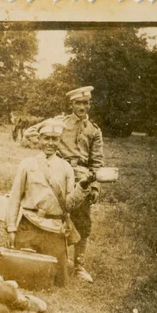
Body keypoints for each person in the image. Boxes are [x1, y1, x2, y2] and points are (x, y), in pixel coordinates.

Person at [24, 86, 104, 282]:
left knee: (82, 222)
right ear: (72, 104)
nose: (82, 107)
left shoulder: (94, 130)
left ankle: (78, 266)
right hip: (58, 172)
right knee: (55, 215)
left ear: (89, 105)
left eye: (85, 103)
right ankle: (52, 257)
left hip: (82, 178)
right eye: (78, 103)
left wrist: (94, 187)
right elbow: (30, 132)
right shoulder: (59, 123)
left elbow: (98, 162)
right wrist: (50, 153)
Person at [5, 121, 95, 286]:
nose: (50, 143)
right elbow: (15, 197)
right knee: (19, 273)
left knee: (58, 281)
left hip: (53, 227)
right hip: (29, 224)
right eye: (46, 138)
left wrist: (82, 186)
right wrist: (11, 227)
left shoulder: (65, 167)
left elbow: (69, 205)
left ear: (59, 142)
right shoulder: (27, 164)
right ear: (39, 139)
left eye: (55, 139)